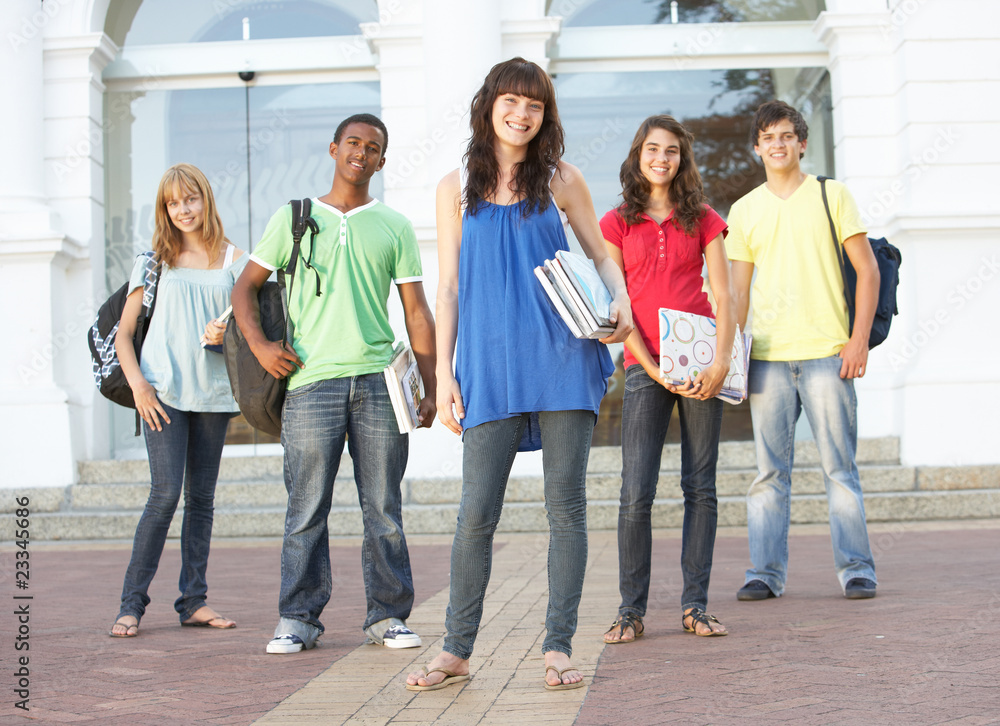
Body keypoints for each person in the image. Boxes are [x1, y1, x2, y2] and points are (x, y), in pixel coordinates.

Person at [406, 57, 633, 693]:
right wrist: (443, 375)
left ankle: (558, 647)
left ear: (545, 114)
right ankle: (455, 650)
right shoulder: (455, 188)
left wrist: (623, 304)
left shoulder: (563, 178)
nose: (521, 114)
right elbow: (447, 288)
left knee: (567, 507)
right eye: (511, 101)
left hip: (563, 357)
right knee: (476, 513)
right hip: (487, 366)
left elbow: (601, 254)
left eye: (534, 105)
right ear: (489, 105)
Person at [232, 113, 437, 654]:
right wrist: (259, 345)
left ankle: (388, 618)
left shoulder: (393, 225)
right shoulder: (293, 217)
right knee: (305, 510)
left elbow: (417, 312)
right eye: (353, 143)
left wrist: (429, 386)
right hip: (310, 383)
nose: (361, 153)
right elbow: (244, 289)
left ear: (382, 160)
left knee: (384, 510)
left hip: (378, 382)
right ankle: (297, 618)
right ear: (333, 148)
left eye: (373, 148)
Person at [726, 100, 880, 601]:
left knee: (840, 469)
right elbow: (738, 293)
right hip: (768, 360)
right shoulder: (745, 210)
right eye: (768, 136)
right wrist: (731, 354)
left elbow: (869, 271)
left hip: (827, 354)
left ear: (802, 143)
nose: (778, 144)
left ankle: (857, 569)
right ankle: (765, 574)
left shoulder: (831, 196)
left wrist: (858, 341)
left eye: (787, 135)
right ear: (757, 147)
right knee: (770, 474)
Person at [599, 115, 735, 643]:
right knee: (636, 492)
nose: (662, 158)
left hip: (701, 362)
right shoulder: (616, 223)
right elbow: (620, 304)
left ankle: (695, 606)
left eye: (672, 150)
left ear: (682, 158)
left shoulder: (703, 217)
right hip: (644, 366)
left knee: (700, 487)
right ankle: (631, 611)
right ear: (638, 154)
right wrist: (650, 367)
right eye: (653, 148)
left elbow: (723, 296)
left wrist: (721, 360)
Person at [110, 163, 246, 638]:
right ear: (164, 210)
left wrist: (227, 333)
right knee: (164, 495)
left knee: (202, 499)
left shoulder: (235, 259)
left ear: (205, 200)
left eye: (191, 199)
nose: (183, 210)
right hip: (161, 394)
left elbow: (251, 333)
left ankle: (194, 601)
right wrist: (140, 387)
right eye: (173, 203)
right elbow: (124, 336)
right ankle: (131, 604)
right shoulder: (154, 261)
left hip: (212, 395)